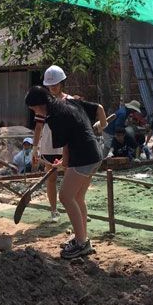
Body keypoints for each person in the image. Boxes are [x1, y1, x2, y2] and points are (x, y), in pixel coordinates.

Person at [25, 86, 103, 259]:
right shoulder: (69, 102)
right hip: (94, 154)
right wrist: (64, 163)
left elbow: (66, 144)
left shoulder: (55, 117)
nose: (34, 112)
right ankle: (82, 238)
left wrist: (64, 164)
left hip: (84, 156)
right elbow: (98, 108)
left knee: (66, 197)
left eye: (34, 109)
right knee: (78, 197)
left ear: (40, 105)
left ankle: (81, 243)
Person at [32, 65, 106, 223]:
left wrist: (101, 124)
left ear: (62, 83)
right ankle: (54, 210)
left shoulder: (71, 101)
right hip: (50, 145)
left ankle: (79, 208)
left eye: (55, 84)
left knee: (73, 183)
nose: (53, 88)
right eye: (50, 85)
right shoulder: (44, 104)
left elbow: (93, 114)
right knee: (51, 179)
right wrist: (34, 148)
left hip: (70, 146)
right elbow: (38, 126)